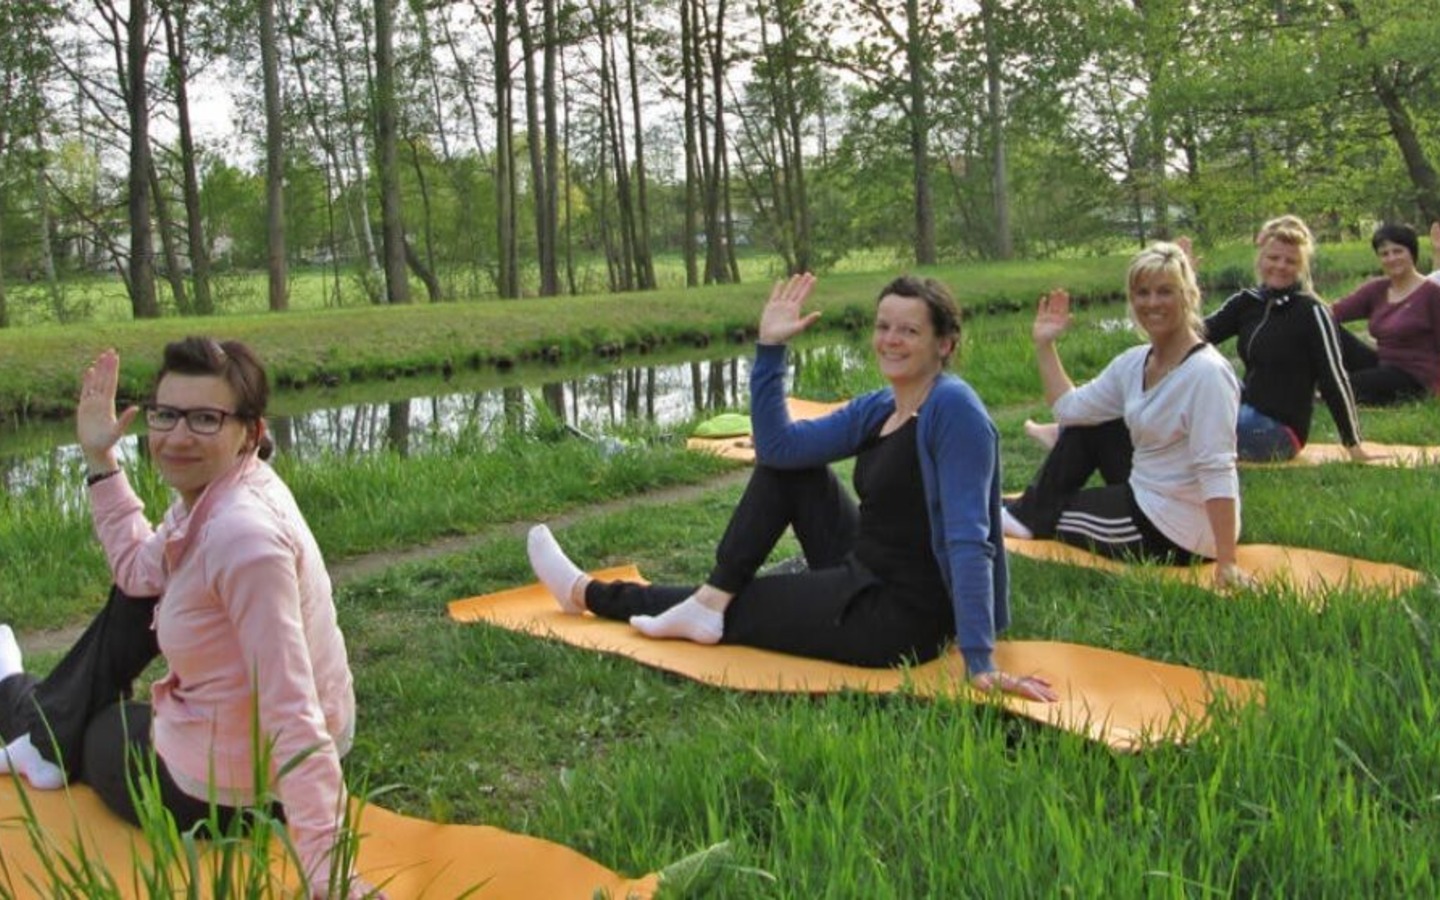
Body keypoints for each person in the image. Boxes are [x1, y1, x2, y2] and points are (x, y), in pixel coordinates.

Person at [527, 273, 1058, 702]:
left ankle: (589, 594)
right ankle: (709, 597)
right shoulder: (883, 405)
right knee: (791, 470)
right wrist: (770, 350)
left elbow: (972, 539)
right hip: (864, 565)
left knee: (747, 608)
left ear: (945, 344)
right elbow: (777, 448)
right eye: (883, 326)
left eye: (909, 331)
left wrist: (980, 658)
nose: (891, 340)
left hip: (900, 617)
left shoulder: (954, 411)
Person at [0, 339, 370, 898]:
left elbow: (291, 706)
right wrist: (101, 461)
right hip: (249, 752)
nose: (175, 437)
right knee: (137, 599)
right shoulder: (217, 494)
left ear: (249, 430)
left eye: (204, 419)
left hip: (234, 796)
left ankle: (27, 713)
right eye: (166, 415)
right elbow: (135, 572)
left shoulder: (243, 537)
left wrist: (328, 874)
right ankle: (40, 727)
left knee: (100, 729)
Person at [1002, 243, 1247, 590]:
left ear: (1189, 295)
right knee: (1088, 424)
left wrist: (1227, 562)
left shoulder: (1207, 375)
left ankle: (1023, 517)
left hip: (1177, 530)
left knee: (1050, 513)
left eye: (1165, 291)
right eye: (1142, 293)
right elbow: (1069, 409)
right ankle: (1021, 512)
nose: (1151, 303)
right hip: (1144, 486)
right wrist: (1045, 344)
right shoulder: (1134, 362)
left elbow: (1217, 467)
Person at [1203, 215, 1372, 462]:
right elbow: (1193, 337)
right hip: (1247, 410)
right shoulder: (1247, 303)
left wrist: (1353, 443)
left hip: (1279, 431)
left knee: (1193, 424)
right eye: (1273, 258)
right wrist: (1180, 284)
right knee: (1199, 375)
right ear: (1260, 259)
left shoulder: (1312, 311)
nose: (1281, 266)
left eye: (1290, 261)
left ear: (1301, 267)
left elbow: (1333, 377)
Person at [1330, 222, 1440, 405]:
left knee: (1339, 388)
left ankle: (1327, 389)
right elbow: (1332, 312)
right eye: (1384, 254)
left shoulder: (1432, 293)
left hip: (1415, 377)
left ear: (1412, 253)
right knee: (1324, 326)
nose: (1391, 258)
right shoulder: (1377, 289)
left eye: (1398, 251)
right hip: (1383, 363)